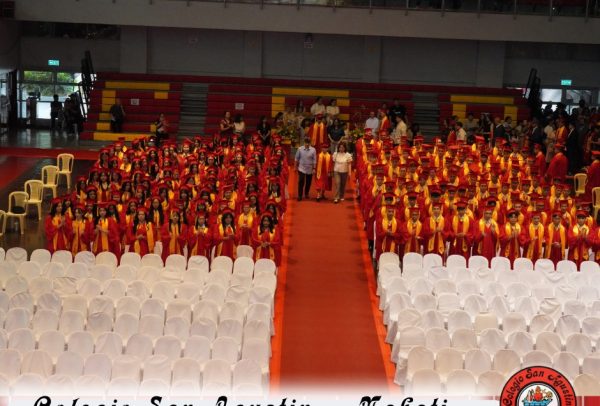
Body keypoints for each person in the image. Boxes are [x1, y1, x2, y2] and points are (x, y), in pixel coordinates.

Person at [295, 137, 316, 201]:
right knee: (301, 181)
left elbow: (314, 160)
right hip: (301, 168)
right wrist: (295, 167)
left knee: (308, 182)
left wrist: (314, 168)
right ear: (304, 142)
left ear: (310, 143)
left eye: (308, 143)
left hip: (309, 168)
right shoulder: (300, 149)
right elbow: (296, 158)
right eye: (306, 143)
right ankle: (300, 195)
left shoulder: (313, 150)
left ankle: (306, 193)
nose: (307, 144)